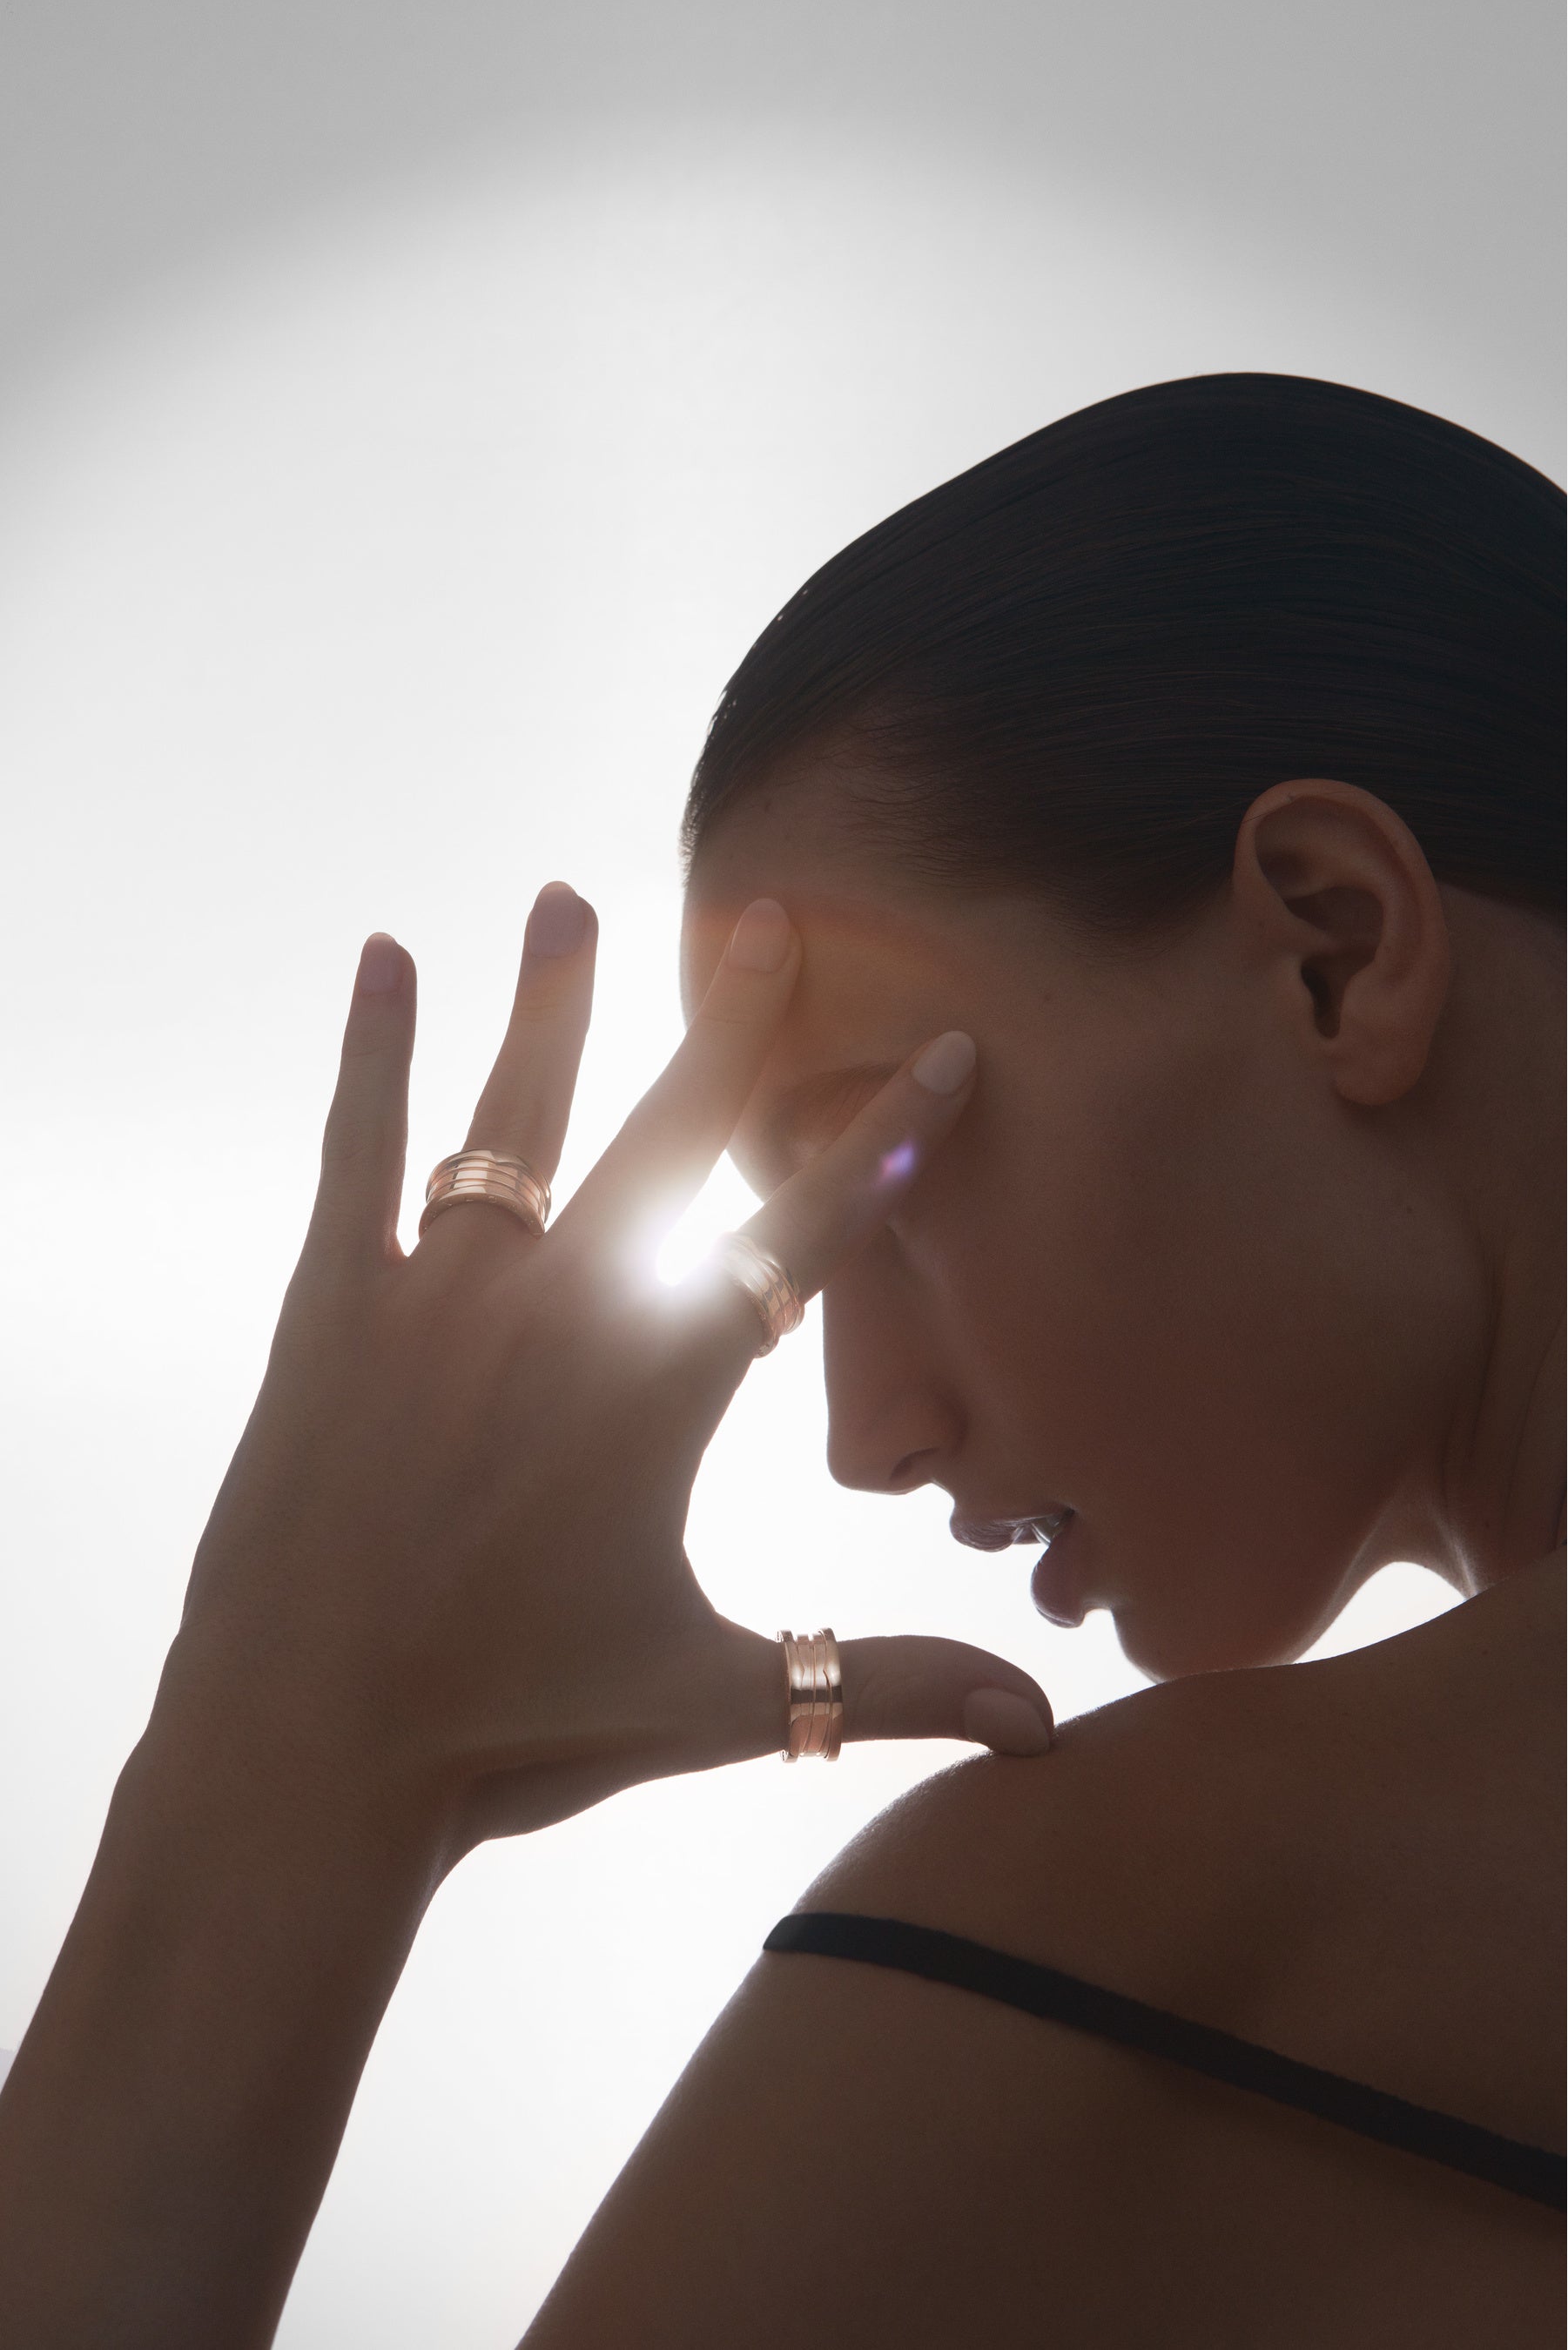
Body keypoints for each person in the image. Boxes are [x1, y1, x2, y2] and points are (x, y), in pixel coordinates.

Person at [0, 373, 1560, 2346]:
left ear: (1334, 949)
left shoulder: (1115, 1953)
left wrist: (285, 1762)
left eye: (880, 1177)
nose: (866, 1437)